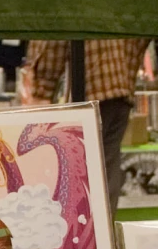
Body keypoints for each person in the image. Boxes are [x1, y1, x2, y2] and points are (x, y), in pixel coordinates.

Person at [24, 38, 147, 199]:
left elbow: (51, 39)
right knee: (106, 175)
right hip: (121, 92)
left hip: (85, 93)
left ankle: (83, 224)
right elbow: (141, 37)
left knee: (73, 178)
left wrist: (41, 91)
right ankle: (105, 223)